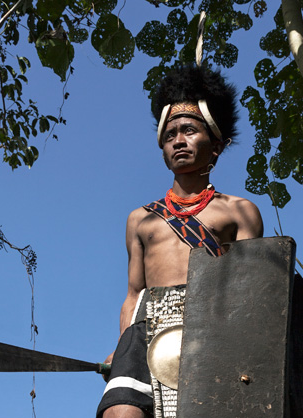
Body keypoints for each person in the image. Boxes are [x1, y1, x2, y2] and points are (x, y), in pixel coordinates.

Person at [97, 65, 263, 418]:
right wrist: (121, 345)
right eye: (170, 134)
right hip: (145, 327)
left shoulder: (239, 211)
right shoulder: (140, 219)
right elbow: (133, 294)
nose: (178, 140)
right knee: (120, 413)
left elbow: (253, 291)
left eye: (189, 130)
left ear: (216, 145)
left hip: (211, 323)